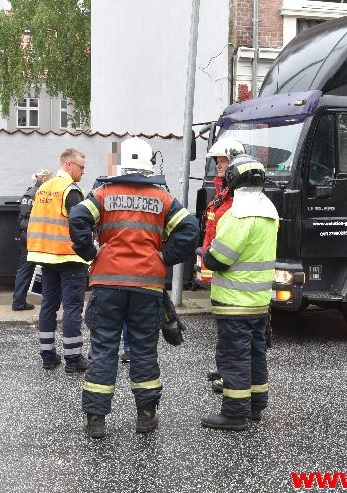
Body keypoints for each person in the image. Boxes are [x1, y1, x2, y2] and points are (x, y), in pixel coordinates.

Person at [69, 136, 199, 439]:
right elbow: (189, 229)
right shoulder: (163, 199)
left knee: (103, 350)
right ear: (147, 164)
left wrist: (90, 253)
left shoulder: (102, 194)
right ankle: (146, 416)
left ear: (121, 163)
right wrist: (166, 257)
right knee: (143, 350)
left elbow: (77, 218)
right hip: (147, 286)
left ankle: (96, 420)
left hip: (107, 284)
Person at [200, 154, 278, 431]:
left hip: (234, 303)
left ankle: (234, 413)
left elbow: (219, 259)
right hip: (259, 302)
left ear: (233, 180)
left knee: (234, 357)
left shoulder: (238, 215)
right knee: (256, 354)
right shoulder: (269, 211)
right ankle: (255, 406)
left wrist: (205, 252)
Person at [26, 149, 89, 373]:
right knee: (72, 308)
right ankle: (73, 360)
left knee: (48, 306)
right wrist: (89, 252)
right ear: (69, 165)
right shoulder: (70, 190)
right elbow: (79, 225)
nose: (83, 171)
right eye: (81, 167)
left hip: (45, 256)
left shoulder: (44, 187)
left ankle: (48, 357)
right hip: (69, 256)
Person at [198, 138, 244, 393]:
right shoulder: (223, 191)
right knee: (224, 327)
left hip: (231, 272)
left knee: (233, 330)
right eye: (217, 161)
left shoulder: (237, 195)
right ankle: (226, 368)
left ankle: (231, 376)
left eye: (223, 161)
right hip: (219, 267)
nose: (218, 165)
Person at [12, 169, 52, 311]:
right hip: (36, 235)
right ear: (45, 179)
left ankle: (18, 301)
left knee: (24, 269)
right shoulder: (41, 194)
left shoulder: (28, 193)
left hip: (25, 233)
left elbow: (22, 215)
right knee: (47, 268)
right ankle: (49, 300)